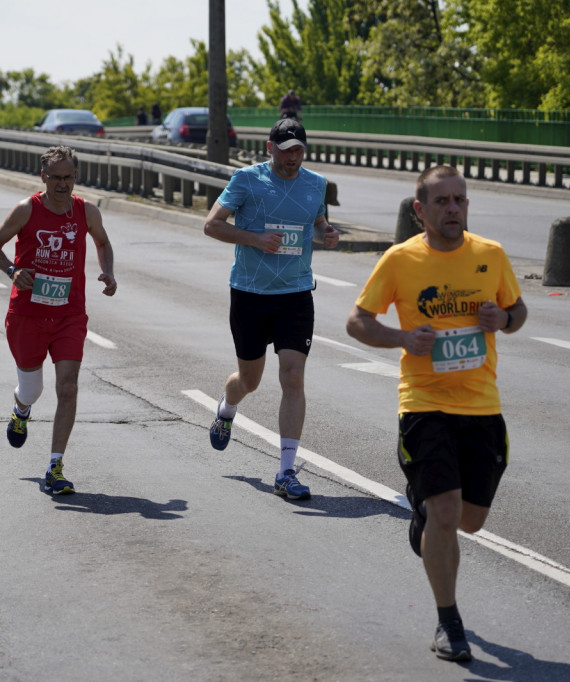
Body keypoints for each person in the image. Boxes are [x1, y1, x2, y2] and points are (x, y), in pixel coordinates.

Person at [345, 165, 527, 662]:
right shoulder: (400, 260)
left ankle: (422, 512)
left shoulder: (490, 255)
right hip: (424, 403)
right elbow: (357, 321)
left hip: (482, 405)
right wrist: (403, 338)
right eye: (443, 201)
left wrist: (504, 318)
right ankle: (449, 623)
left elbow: (518, 310)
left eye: (460, 200)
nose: (454, 209)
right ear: (420, 210)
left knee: (470, 521)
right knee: (447, 512)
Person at [203, 118, 339, 501]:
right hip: (249, 293)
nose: (293, 157)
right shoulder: (247, 179)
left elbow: (315, 225)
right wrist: (255, 239)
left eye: (299, 150)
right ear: (270, 148)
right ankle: (227, 409)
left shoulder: (316, 184)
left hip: (295, 293)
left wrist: (326, 235)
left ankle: (285, 471)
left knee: (293, 377)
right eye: (286, 149)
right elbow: (211, 226)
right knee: (249, 381)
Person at [0, 145, 117, 496]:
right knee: (33, 390)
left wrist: (108, 273)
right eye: (55, 177)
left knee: (68, 387)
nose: (62, 184)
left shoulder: (86, 211)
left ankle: (55, 467)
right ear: (43, 177)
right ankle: (20, 409)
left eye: (68, 177)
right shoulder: (28, 209)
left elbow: (103, 243)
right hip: (27, 313)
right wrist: (13, 271)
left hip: (69, 314)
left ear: (76, 177)